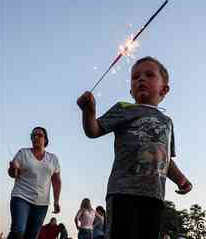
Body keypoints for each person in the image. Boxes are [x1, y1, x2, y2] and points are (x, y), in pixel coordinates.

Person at [77, 56, 193, 239]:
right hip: (122, 191)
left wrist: (181, 179)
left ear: (164, 90)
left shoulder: (167, 122)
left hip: (154, 196)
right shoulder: (124, 108)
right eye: (135, 77)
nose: (141, 79)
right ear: (131, 91)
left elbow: (165, 158)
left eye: (149, 75)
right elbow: (94, 130)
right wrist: (88, 111)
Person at [7, 126, 61, 239]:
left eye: (39, 135)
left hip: (41, 204)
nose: (36, 137)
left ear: (45, 139)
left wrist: (56, 201)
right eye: (33, 135)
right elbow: (14, 174)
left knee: (31, 236)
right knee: (18, 230)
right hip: (21, 197)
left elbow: (56, 181)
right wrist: (13, 169)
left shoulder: (53, 159)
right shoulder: (23, 153)